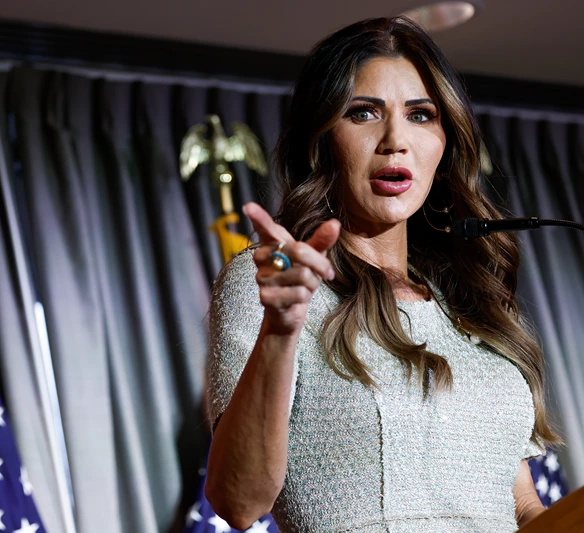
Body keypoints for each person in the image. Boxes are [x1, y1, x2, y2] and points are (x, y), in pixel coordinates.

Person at [204, 16, 561, 533]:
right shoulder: (275, 286)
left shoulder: (471, 295)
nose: (396, 139)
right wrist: (280, 332)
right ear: (321, 139)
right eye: (364, 112)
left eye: (421, 115)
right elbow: (238, 502)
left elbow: (523, 506)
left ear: (445, 143)